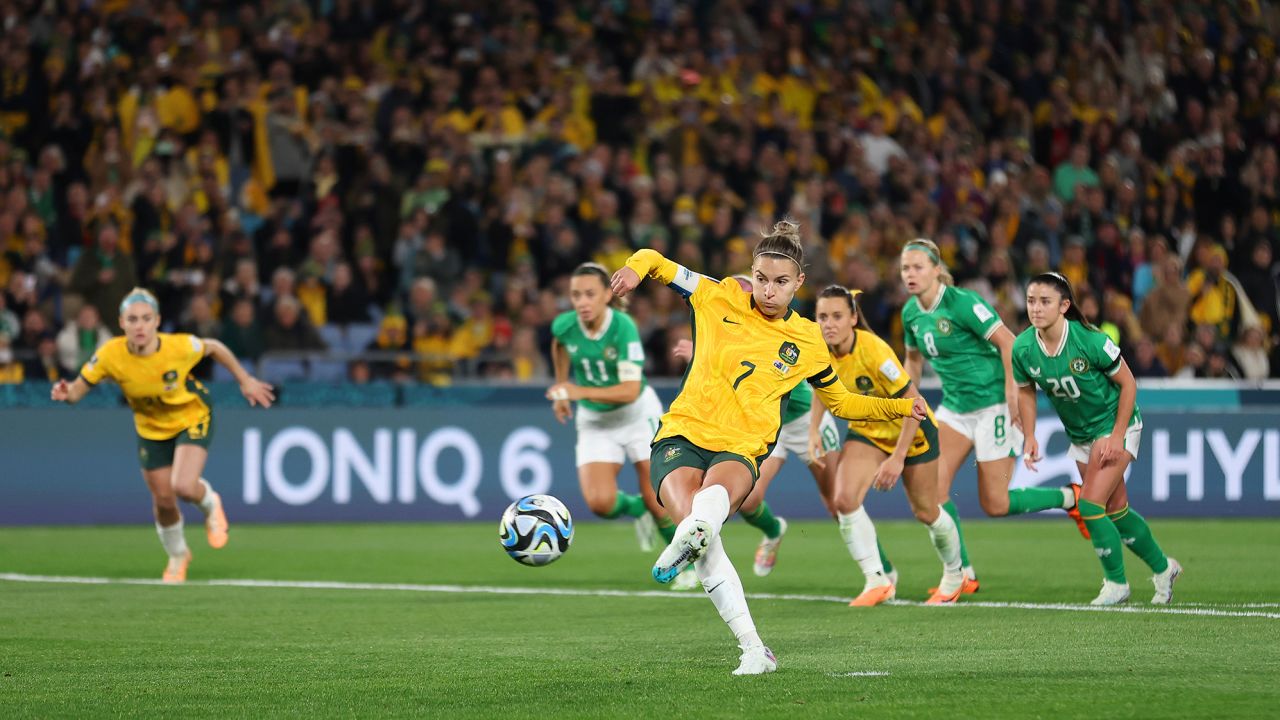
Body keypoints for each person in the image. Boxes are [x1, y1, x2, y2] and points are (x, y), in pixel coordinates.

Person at [610, 220, 925, 675]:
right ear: (750, 274)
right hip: (681, 433)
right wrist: (635, 271)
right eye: (761, 279)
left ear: (799, 283)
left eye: (781, 282)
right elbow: (655, 258)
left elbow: (840, 401)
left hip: (742, 445)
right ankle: (754, 647)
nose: (769, 291)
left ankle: (716, 573)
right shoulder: (715, 294)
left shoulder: (809, 340)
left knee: (706, 517)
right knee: (702, 535)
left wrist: (894, 409)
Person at [50, 288, 275, 583]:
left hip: (191, 415)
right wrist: (66, 393)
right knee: (164, 500)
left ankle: (209, 502)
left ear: (157, 320)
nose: (139, 325)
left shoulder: (178, 347)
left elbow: (215, 347)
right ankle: (178, 555)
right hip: (151, 429)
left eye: (146, 318)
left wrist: (245, 380)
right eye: (133, 319)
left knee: (182, 486)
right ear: (122, 323)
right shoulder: (110, 355)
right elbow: (78, 390)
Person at [900, 238, 1083, 595]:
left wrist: (1013, 393)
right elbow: (913, 360)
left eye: (918, 266)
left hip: (992, 406)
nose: (910, 274)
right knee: (932, 493)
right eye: (905, 268)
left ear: (937, 270)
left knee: (995, 503)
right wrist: (909, 394)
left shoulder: (963, 303)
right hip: (954, 409)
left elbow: (1009, 342)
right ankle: (962, 573)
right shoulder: (910, 313)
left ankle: (1070, 498)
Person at [1015, 272, 1181, 605]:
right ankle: (1164, 568)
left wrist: (1116, 436)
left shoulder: (1089, 340)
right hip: (1081, 435)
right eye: (1031, 300)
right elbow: (1025, 390)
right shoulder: (1023, 347)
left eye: (1045, 301)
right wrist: (1030, 434)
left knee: (1090, 505)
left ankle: (1116, 584)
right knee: (1116, 510)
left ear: (1064, 306)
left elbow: (1129, 383)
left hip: (1117, 425)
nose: (1036, 308)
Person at [670, 284, 843, 579]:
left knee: (838, 501)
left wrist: (814, 429)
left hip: (807, 421)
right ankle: (774, 531)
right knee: (748, 500)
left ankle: (877, 570)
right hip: (767, 427)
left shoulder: (786, 333)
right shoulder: (732, 336)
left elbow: (824, 389)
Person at [813, 285, 966, 605]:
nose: (829, 324)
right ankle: (877, 579)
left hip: (913, 431)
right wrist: (814, 429)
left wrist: (897, 459)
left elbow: (915, 404)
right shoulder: (820, 350)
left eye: (837, 316)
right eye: (823, 316)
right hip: (869, 430)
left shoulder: (875, 352)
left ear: (853, 318)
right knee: (843, 499)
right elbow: (821, 390)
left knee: (926, 512)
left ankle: (955, 576)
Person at [545, 263, 691, 587]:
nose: (582, 302)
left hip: (637, 415)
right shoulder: (565, 325)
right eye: (575, 295)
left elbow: (627, 391)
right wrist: (561, 391)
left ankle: (684, 562)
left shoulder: (623, 326)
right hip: (596, 422)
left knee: (660, 498)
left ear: (607, 295)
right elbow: (559, 345)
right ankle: (642, 510)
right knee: (601, 504)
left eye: (589, 294)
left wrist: (576, 390)